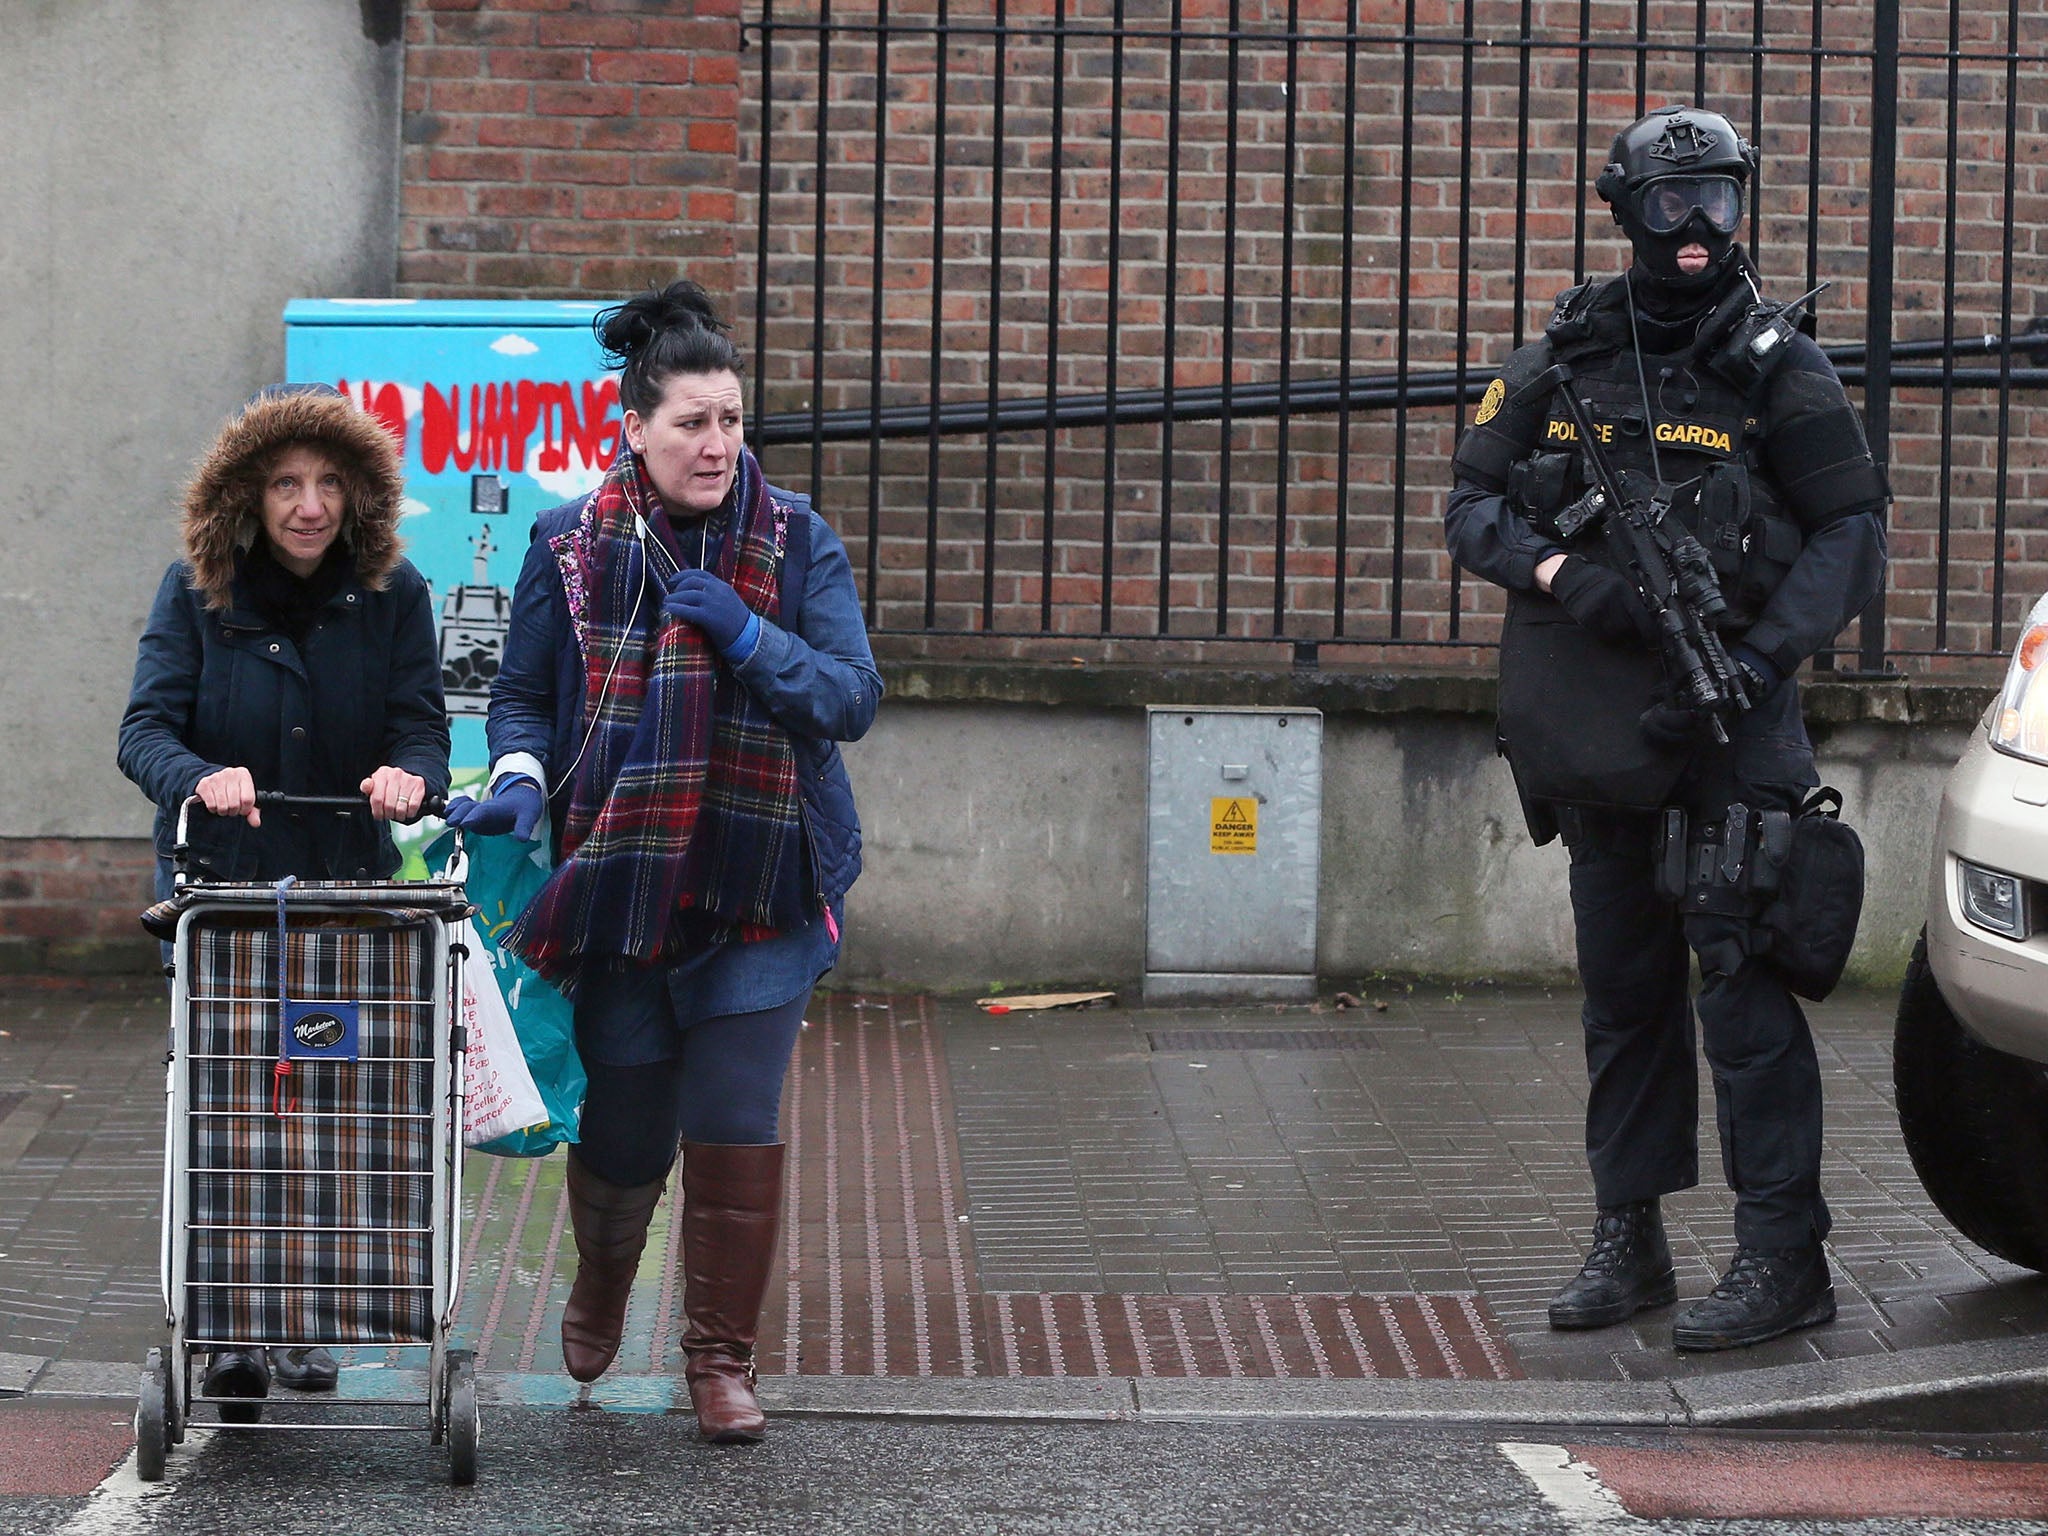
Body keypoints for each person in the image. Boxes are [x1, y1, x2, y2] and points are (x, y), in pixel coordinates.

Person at [1444, 106, 1887, 1351]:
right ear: (1624, 210)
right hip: (1604, 726)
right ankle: (1626, 1237)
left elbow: (1852, 535)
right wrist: (1559, 578)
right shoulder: (1563, 356)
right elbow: (1471, 504)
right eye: (1667, 204)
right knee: (1623, 995)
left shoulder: (1777, 365)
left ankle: (1778, 1257)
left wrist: (1756, 659)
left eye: (1716, 203)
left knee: (1740, 992)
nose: (1694, 230)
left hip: (1732, 724)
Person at [445, 278, 880, 1441]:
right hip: (620, 887)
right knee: (629, 1128)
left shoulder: (795, 543)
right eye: (691, 421)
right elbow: (524, 699)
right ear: (632, 428)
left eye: (731, 419)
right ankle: (600, 1277)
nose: (716, 443)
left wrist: (746, 634)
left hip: (761, 881)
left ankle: (719, 1361)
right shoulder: (566, 547)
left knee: (734, 1112)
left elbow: (849, 696)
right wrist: (523, 777)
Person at [118, 383, 452, 1403]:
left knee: (329, 1105)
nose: (308, 506)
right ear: (247, 499)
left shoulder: (395, 597)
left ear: (357, 495)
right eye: (284, 485)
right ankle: (226, 1326)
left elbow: (422, 731)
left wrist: (410, 779)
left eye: (327, 484)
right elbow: (144, 733)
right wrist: (198, 779)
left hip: (346, 895)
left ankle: (307, 1318)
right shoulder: (195, 594)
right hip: (227, 891)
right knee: (227, 1104)